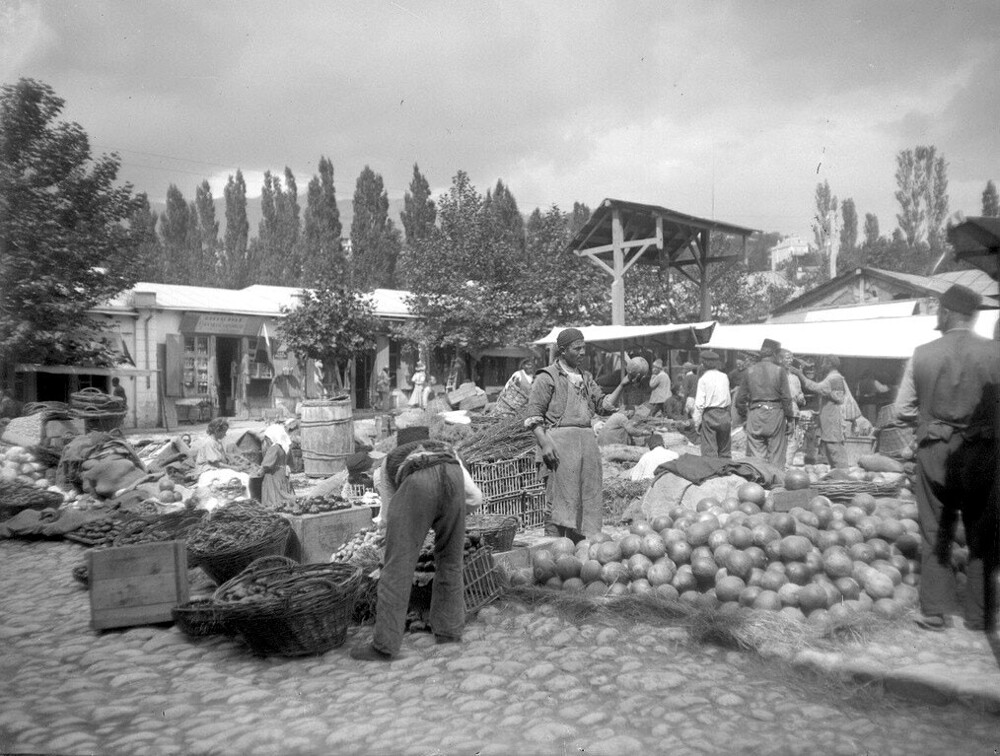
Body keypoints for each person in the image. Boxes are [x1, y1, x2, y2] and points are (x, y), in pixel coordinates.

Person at [893, 284, 1000, 632]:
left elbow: (901, 410)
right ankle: (979, 614)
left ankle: (936, 611)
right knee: (982, 531)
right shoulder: (995, 352)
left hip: (935, 449)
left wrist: (931, 418)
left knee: (935, 528)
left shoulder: (922, 352)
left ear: (947, 312)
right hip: (982, 450)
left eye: (938, 310)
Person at [350, 426, 483, 661]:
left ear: (400, 446)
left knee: (397, 568)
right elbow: (475, 498)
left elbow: (389, 516)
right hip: (453, 480)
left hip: (417, 484)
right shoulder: (448, 451)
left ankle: (384, 646)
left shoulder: (388, 463)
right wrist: (445, 517)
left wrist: (414, 524)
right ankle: (448, 632)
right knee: (450, 562)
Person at [524, 328, 630, 542]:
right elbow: (533, 417)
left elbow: (603, 405)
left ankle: (577, 548)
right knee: (559, 501)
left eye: (584, 348)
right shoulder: (547, 377)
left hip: (586, 445)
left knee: (584, 499)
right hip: (560, 446)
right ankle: (553, 549)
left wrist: (623, 384)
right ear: (562, 351)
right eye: (577, 348)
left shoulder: (586, 377)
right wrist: (545, 445)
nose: (582, 352)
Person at [735, 338, 794, 468]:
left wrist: (745, 417)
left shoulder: (749, 371)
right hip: (775, 414)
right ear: (774, 354)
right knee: (776, 457)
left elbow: (739, 399)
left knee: (756, 461)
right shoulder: (780, 371)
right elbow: (786, 398)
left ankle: (757, 485)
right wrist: (790, 419)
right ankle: (776, 485)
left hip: (755, 413)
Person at [792, 355, 848, 469]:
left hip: (832, 417)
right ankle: (838, 472)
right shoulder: (833, 377)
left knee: (833, 446)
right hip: (829, 416)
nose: (821, 366)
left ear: (829, 364)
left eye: (824, 363)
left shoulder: (834, 378)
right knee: (830, 445)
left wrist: (799, 374)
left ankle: (842, 473)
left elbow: (814, 387)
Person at [692, 350, 732, 459]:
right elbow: (728, 398)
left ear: (703, 364)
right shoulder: (724, 376)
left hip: (710, 414)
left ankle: (711, 470)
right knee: (725, 449)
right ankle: (727, 470)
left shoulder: (703, 379)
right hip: (724, 413)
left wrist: (697, 422)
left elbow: (699, 404)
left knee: (709, 449)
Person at [259, 424, 296, 509]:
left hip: (273, 476)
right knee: (283, 491)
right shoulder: (286, 447)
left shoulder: (274, 448)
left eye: (267, 438)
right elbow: (292, 464)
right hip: (283, 475)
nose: (267, 441)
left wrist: (259, 472)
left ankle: (274, 506)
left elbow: (266, 465)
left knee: (274, 495)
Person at [780, 350, 807, 467]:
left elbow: (800, 395)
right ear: (779, 359)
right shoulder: (776, 376)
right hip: (780, 412)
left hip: (793, 412)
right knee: (782, 439)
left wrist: (801, 399)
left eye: (791, 358)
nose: (790, 360)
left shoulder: (794, 378)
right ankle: (782, 465)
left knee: (794, 440)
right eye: (787, 358)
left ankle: (787, 464)